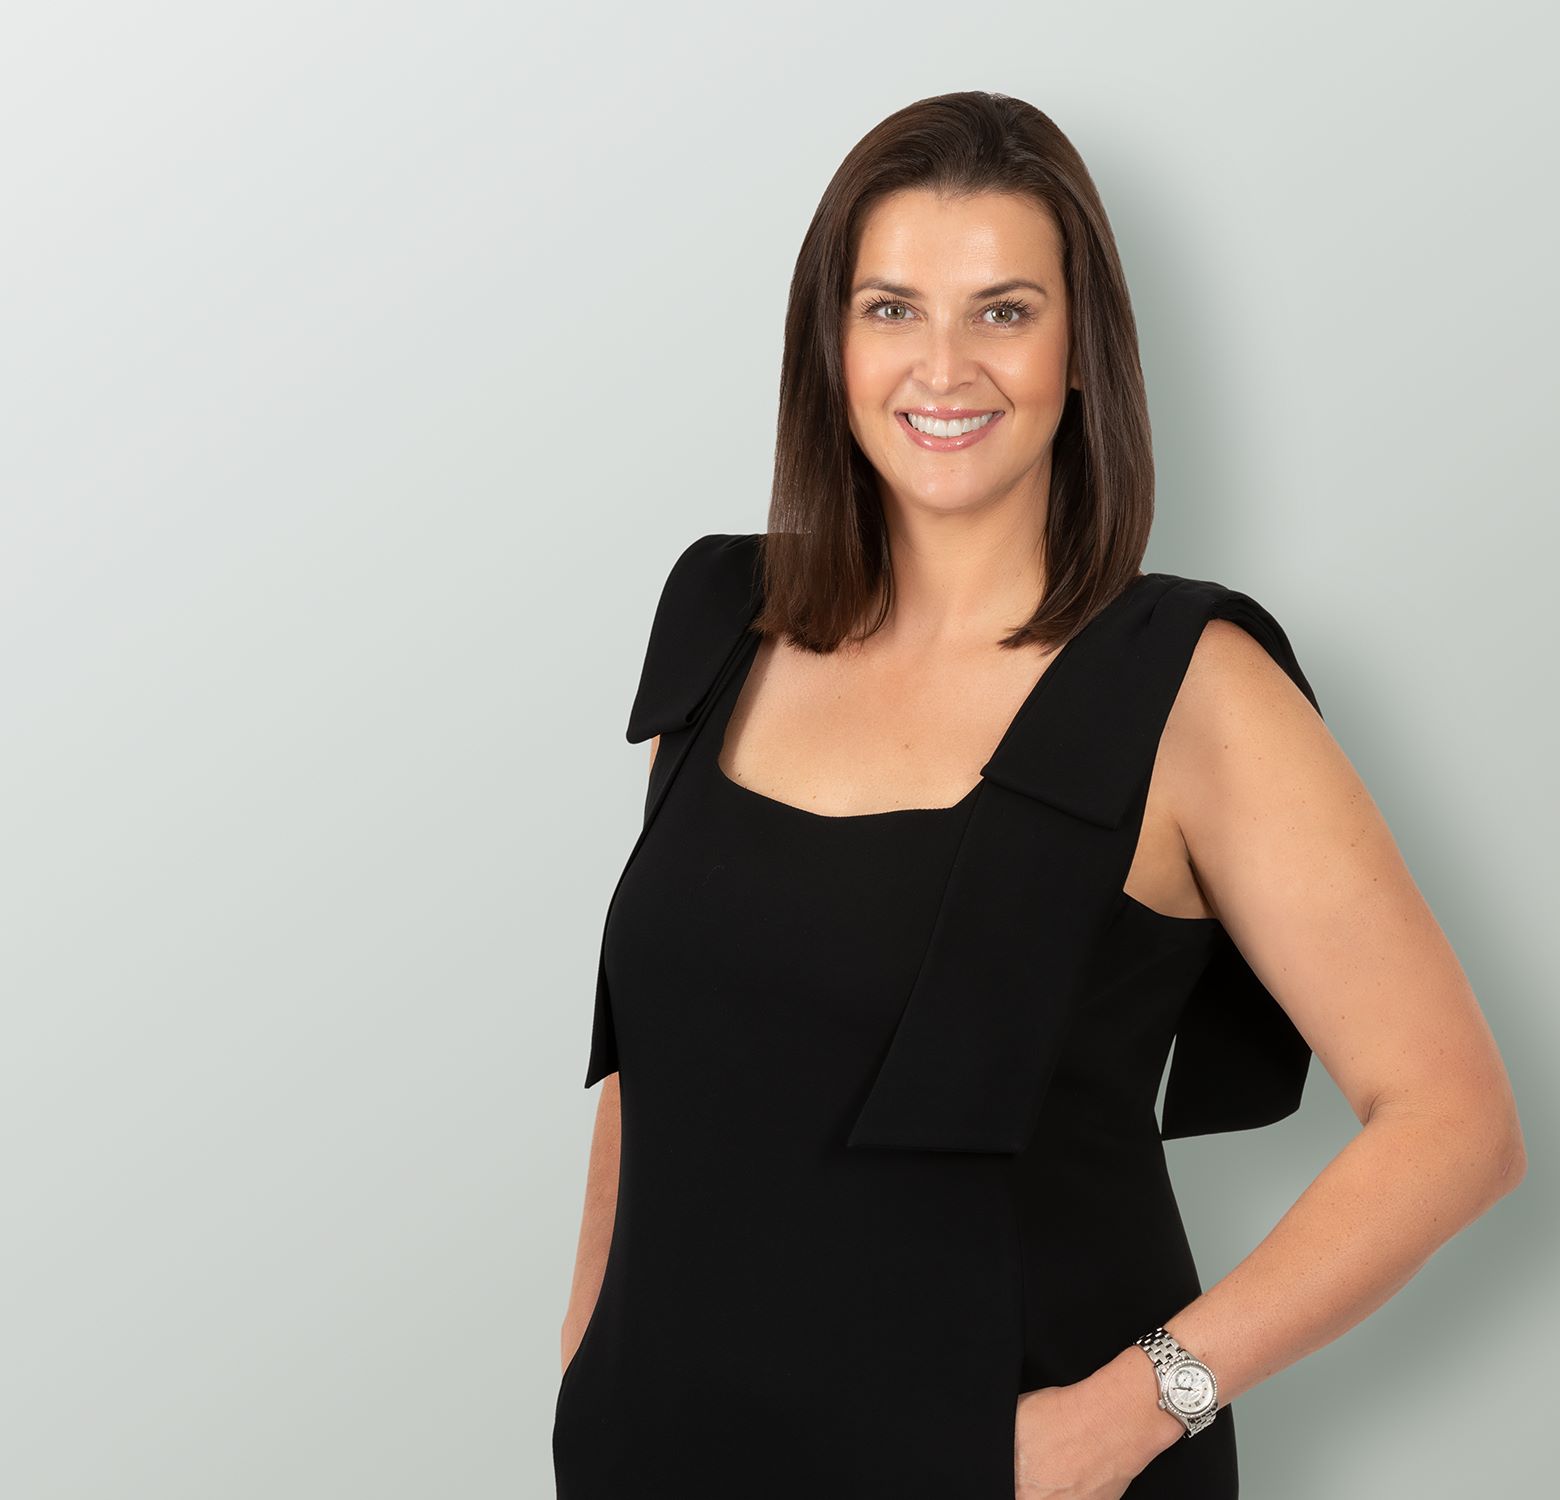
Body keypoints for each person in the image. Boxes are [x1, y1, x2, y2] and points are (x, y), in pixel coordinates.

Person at [550, 91, 1526, 1500]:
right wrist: (587, 1361)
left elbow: (1455, 1122)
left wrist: (1132, 1415)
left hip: (1024, 1472)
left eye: (1003, 312)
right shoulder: (722, 623)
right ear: (830, 345)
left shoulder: (1192, 689)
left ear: (1082, 354)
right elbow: (657, 1053)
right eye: (892, 309)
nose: (943, 365)